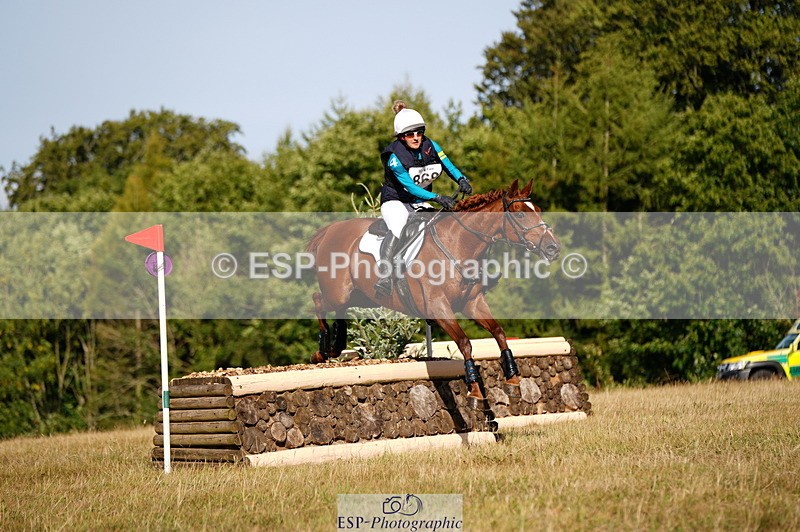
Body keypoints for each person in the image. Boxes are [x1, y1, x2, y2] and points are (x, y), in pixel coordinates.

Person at [375, 100, 472, 297]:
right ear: (401, 137)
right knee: (399, 227)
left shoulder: (432, 146)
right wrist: (436, 197)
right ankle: (385, 275)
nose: (416, 137)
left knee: (442, 226)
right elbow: (409, 186)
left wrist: (461, 178)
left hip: (419, 201)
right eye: (410, 134)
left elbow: (448, 165)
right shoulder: (394, 156)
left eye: (419, 132)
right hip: (396, 201)